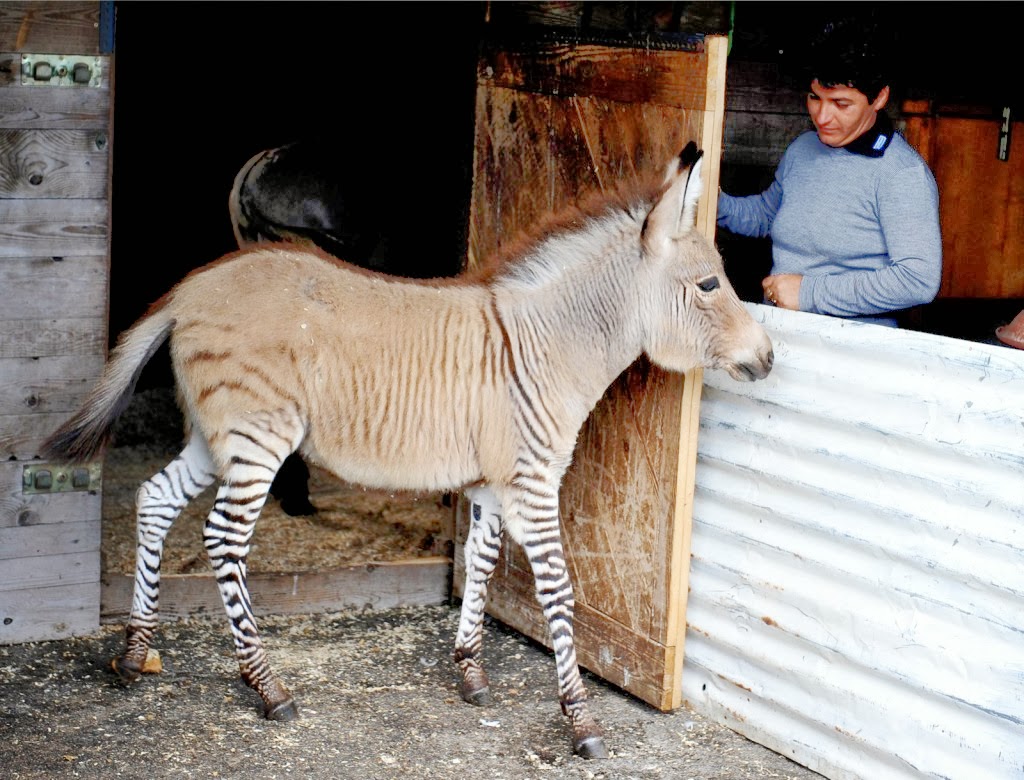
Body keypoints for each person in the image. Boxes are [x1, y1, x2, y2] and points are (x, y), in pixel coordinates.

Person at [717, 17, 942, 327]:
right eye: (815, 98)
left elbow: (918, 280)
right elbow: (769, 216)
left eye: (840, 103)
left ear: (879, 98)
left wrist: (809, 292)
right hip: (778, 329)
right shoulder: (803, 149)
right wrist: (710, 201)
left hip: (852, 346)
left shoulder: (901, 175)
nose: (823, 116)